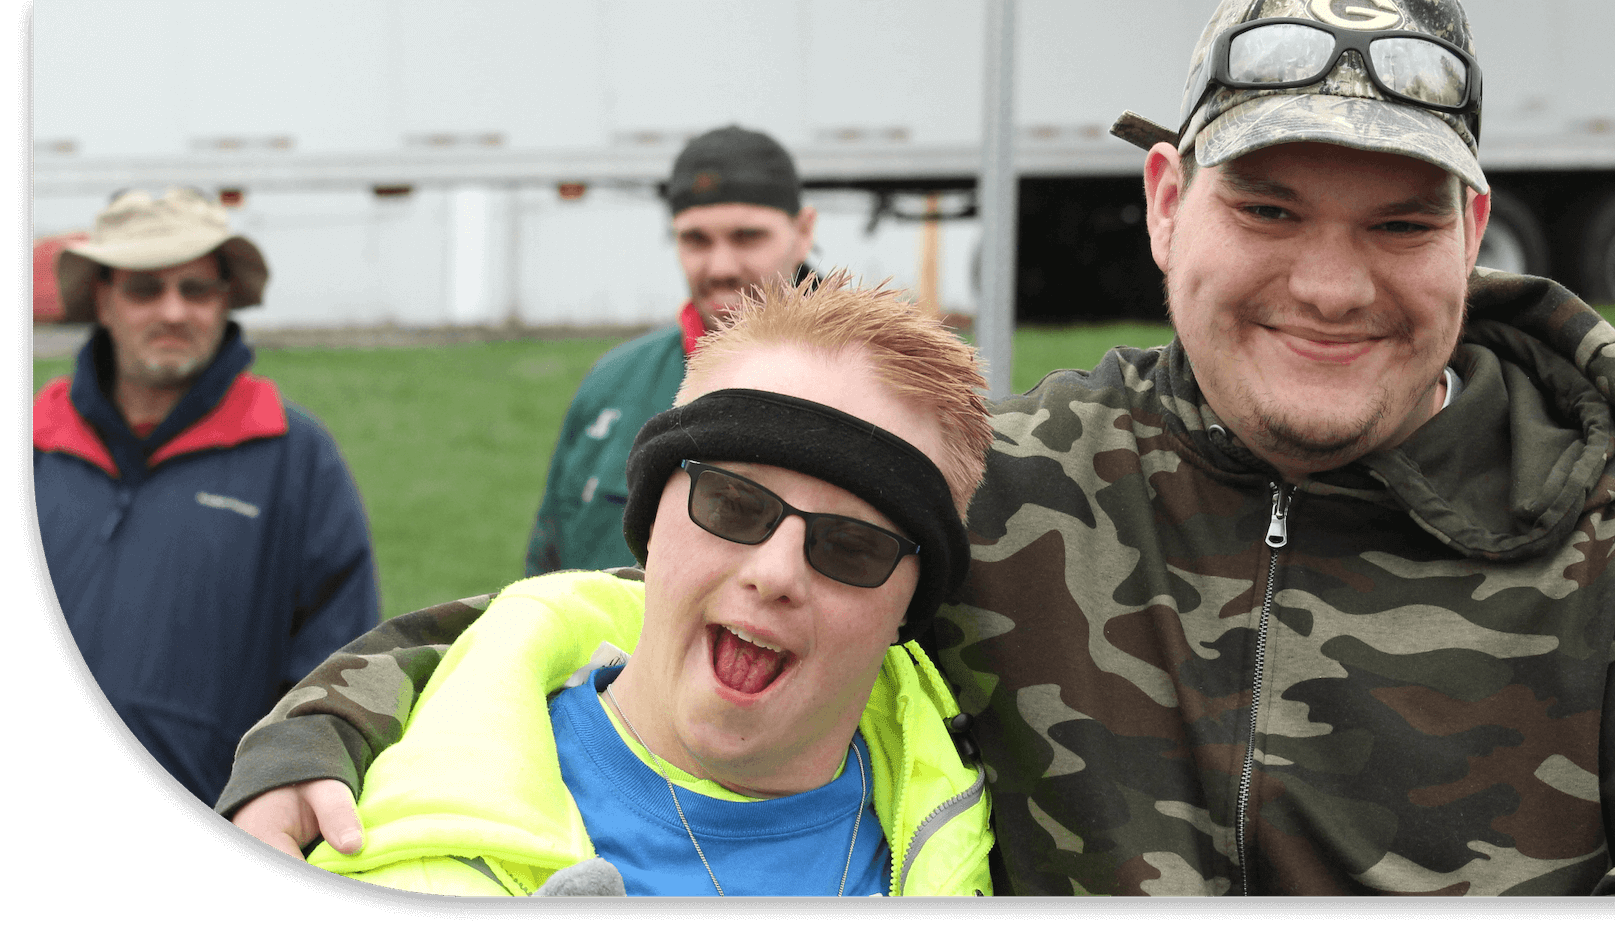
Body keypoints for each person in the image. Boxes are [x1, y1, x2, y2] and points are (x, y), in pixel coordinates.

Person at [217, 0, 1615, 896]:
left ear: (1473, 231)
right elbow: (628, 607)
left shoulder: (1599, 531)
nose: (1330, 280)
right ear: (1167, 202)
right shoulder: (1019, 486)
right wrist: (322, 720)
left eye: (1395, 224)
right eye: (1268, 205)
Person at [279, 276, 992, 896]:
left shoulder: (1001, 841)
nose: (775, 573)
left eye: (852, 547)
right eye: (733, 505)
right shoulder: (388, 828)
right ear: (649, 520)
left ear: (910, 604)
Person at [33, 187, 379, 806]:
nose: (173, 311)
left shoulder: (296, 456)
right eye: (146, 288)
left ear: (225, 301)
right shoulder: (40, 439)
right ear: (103, 300)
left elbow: (336, 670)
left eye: (196, 289)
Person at [528, 125, 819, 576]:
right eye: (695, 240)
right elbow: (546, 571)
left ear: (803, 232)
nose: (721, 267)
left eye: (747, 237)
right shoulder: (613, 384)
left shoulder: (874, 386)